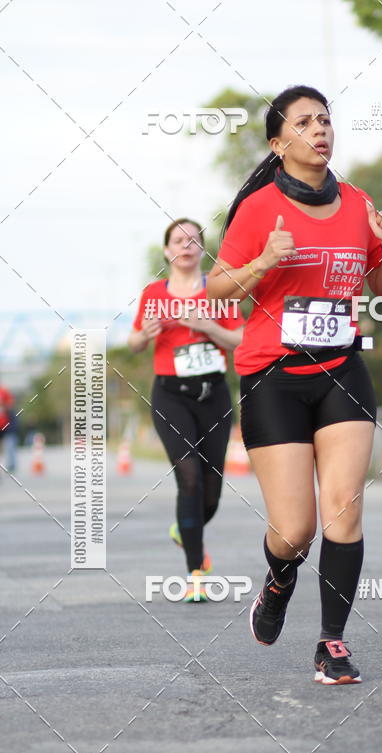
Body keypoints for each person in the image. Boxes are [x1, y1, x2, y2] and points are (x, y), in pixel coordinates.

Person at [206, 85, 382, 683]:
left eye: (325, 119)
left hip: (341, 370)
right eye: (304, 122)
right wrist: (263, 262)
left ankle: (332, 643)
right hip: (272, 377)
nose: (320, 130)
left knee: (343, 513)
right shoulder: (258, 208)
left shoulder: (358, 202)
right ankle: (278, 580)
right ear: (279, 142)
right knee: (294, 530)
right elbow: (216, 289)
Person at [128, 218, 244, 601]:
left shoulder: (219, 288)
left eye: (194, 239)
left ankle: (185, 528)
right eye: (179, 240)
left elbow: (239, 339)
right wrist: (145, 334)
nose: (186, 245)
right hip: (170, 395)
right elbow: (133, 343)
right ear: (167, 250)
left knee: (211, 491)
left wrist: (207, 325)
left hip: (213, 395)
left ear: (202, 249)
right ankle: (196, 572)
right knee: (189, 479)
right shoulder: (153, 292)